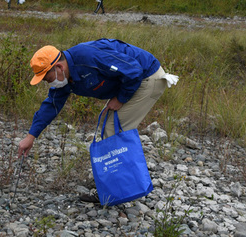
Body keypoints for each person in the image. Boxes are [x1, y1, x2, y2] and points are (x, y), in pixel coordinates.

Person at [18, 38, 178, 203]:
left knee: (113, 129)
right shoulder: (66, 77)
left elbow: (133, 70)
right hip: (134, 80)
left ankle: (117, 192)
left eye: (47, 78)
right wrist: (31, 136)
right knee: (109, 126)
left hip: (148, 78)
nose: (48, 82)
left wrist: (121, 98)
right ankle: (117, 187)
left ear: (58, 67)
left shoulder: (88, 58)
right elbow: (51, 105)